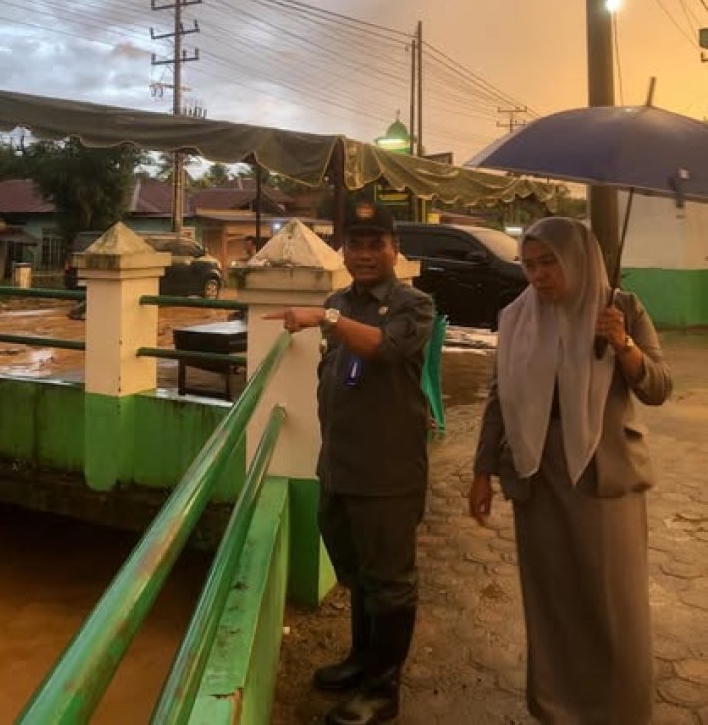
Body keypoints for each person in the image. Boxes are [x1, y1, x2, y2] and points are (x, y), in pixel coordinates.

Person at [469, 217, 672, 724]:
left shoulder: (620, 307)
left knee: (611, 604)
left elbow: (658, 388)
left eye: (549, 263)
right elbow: (500, 397)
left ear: (579, 259)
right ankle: (558, 709)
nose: (538, 276)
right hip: (537, 473)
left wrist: (623, 346)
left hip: (605, 479)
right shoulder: (517, 317)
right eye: (529, 265)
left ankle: (621, 711)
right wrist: (481, 470)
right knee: (553, 601)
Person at [265, 201, 435, 725]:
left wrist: (327, 318)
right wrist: (332, 315)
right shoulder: (340, 298)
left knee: (389, 580)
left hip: (387, 472)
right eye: (355, 244)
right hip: (339, 464)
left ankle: (383, 690)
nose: (363, 254)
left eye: (374, 244)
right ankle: (362, 660)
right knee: (356, 570)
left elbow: (382, 349)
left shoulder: (414, 304)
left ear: (393, 249)